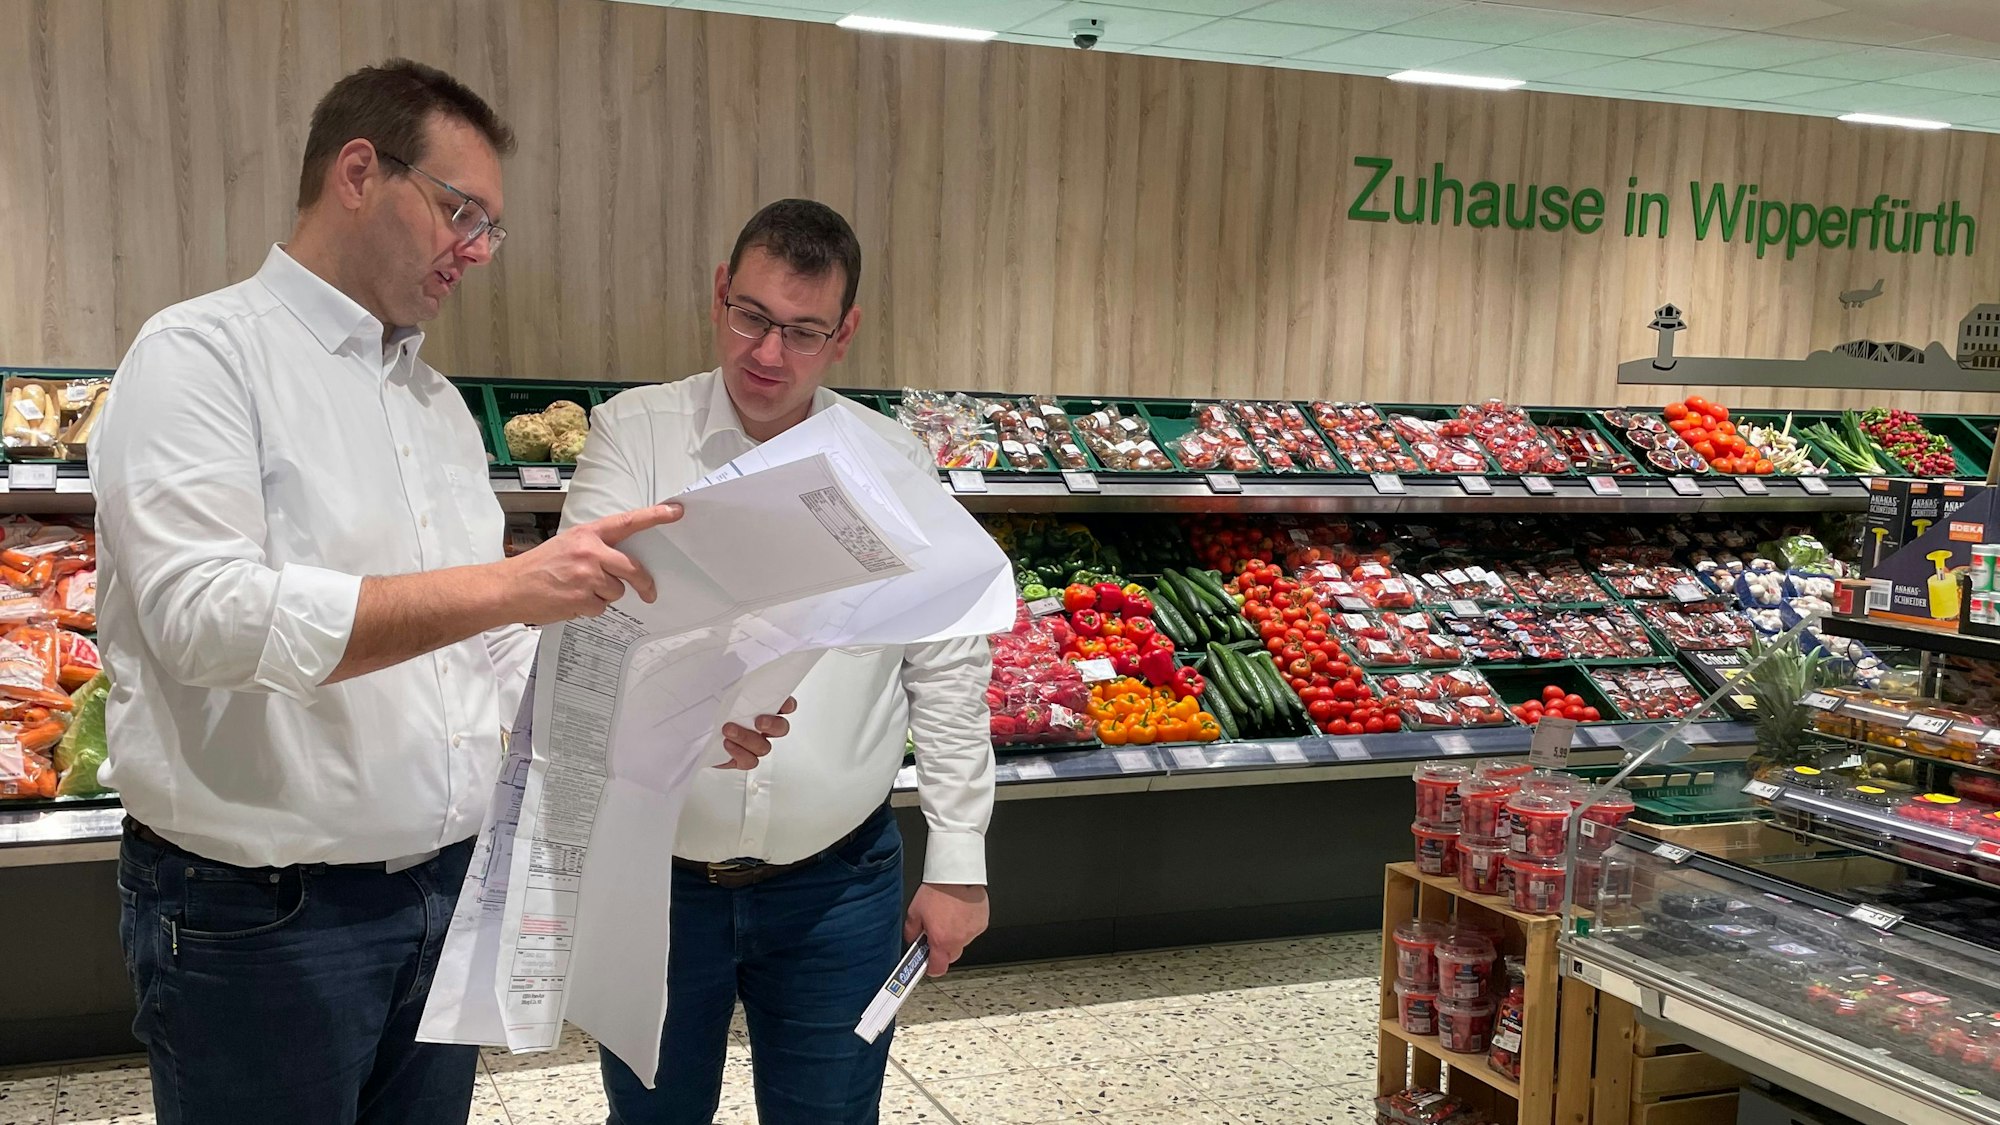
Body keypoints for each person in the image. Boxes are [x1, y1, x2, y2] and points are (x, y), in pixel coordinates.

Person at [90, 60, 791, 1125]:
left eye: (490, 228)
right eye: (459, 211)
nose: (474, 251)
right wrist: (509, 587)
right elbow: (208, 621)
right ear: (358, 173)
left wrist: (677, 717)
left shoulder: (435, 407)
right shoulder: (198, 355)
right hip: (262, 920)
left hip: (445, 896)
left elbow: (492, 667)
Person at [564, 199, 995, 1125]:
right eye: (752, 316)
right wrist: (682, 704)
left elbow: (949, 663)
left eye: (803, 332)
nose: (768, 354)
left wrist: (960, 858)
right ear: (721, 293)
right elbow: (582, 631)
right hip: (657, 880)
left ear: (846, 334)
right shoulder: (633, 437)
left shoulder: (892, 459)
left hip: (839, 883)